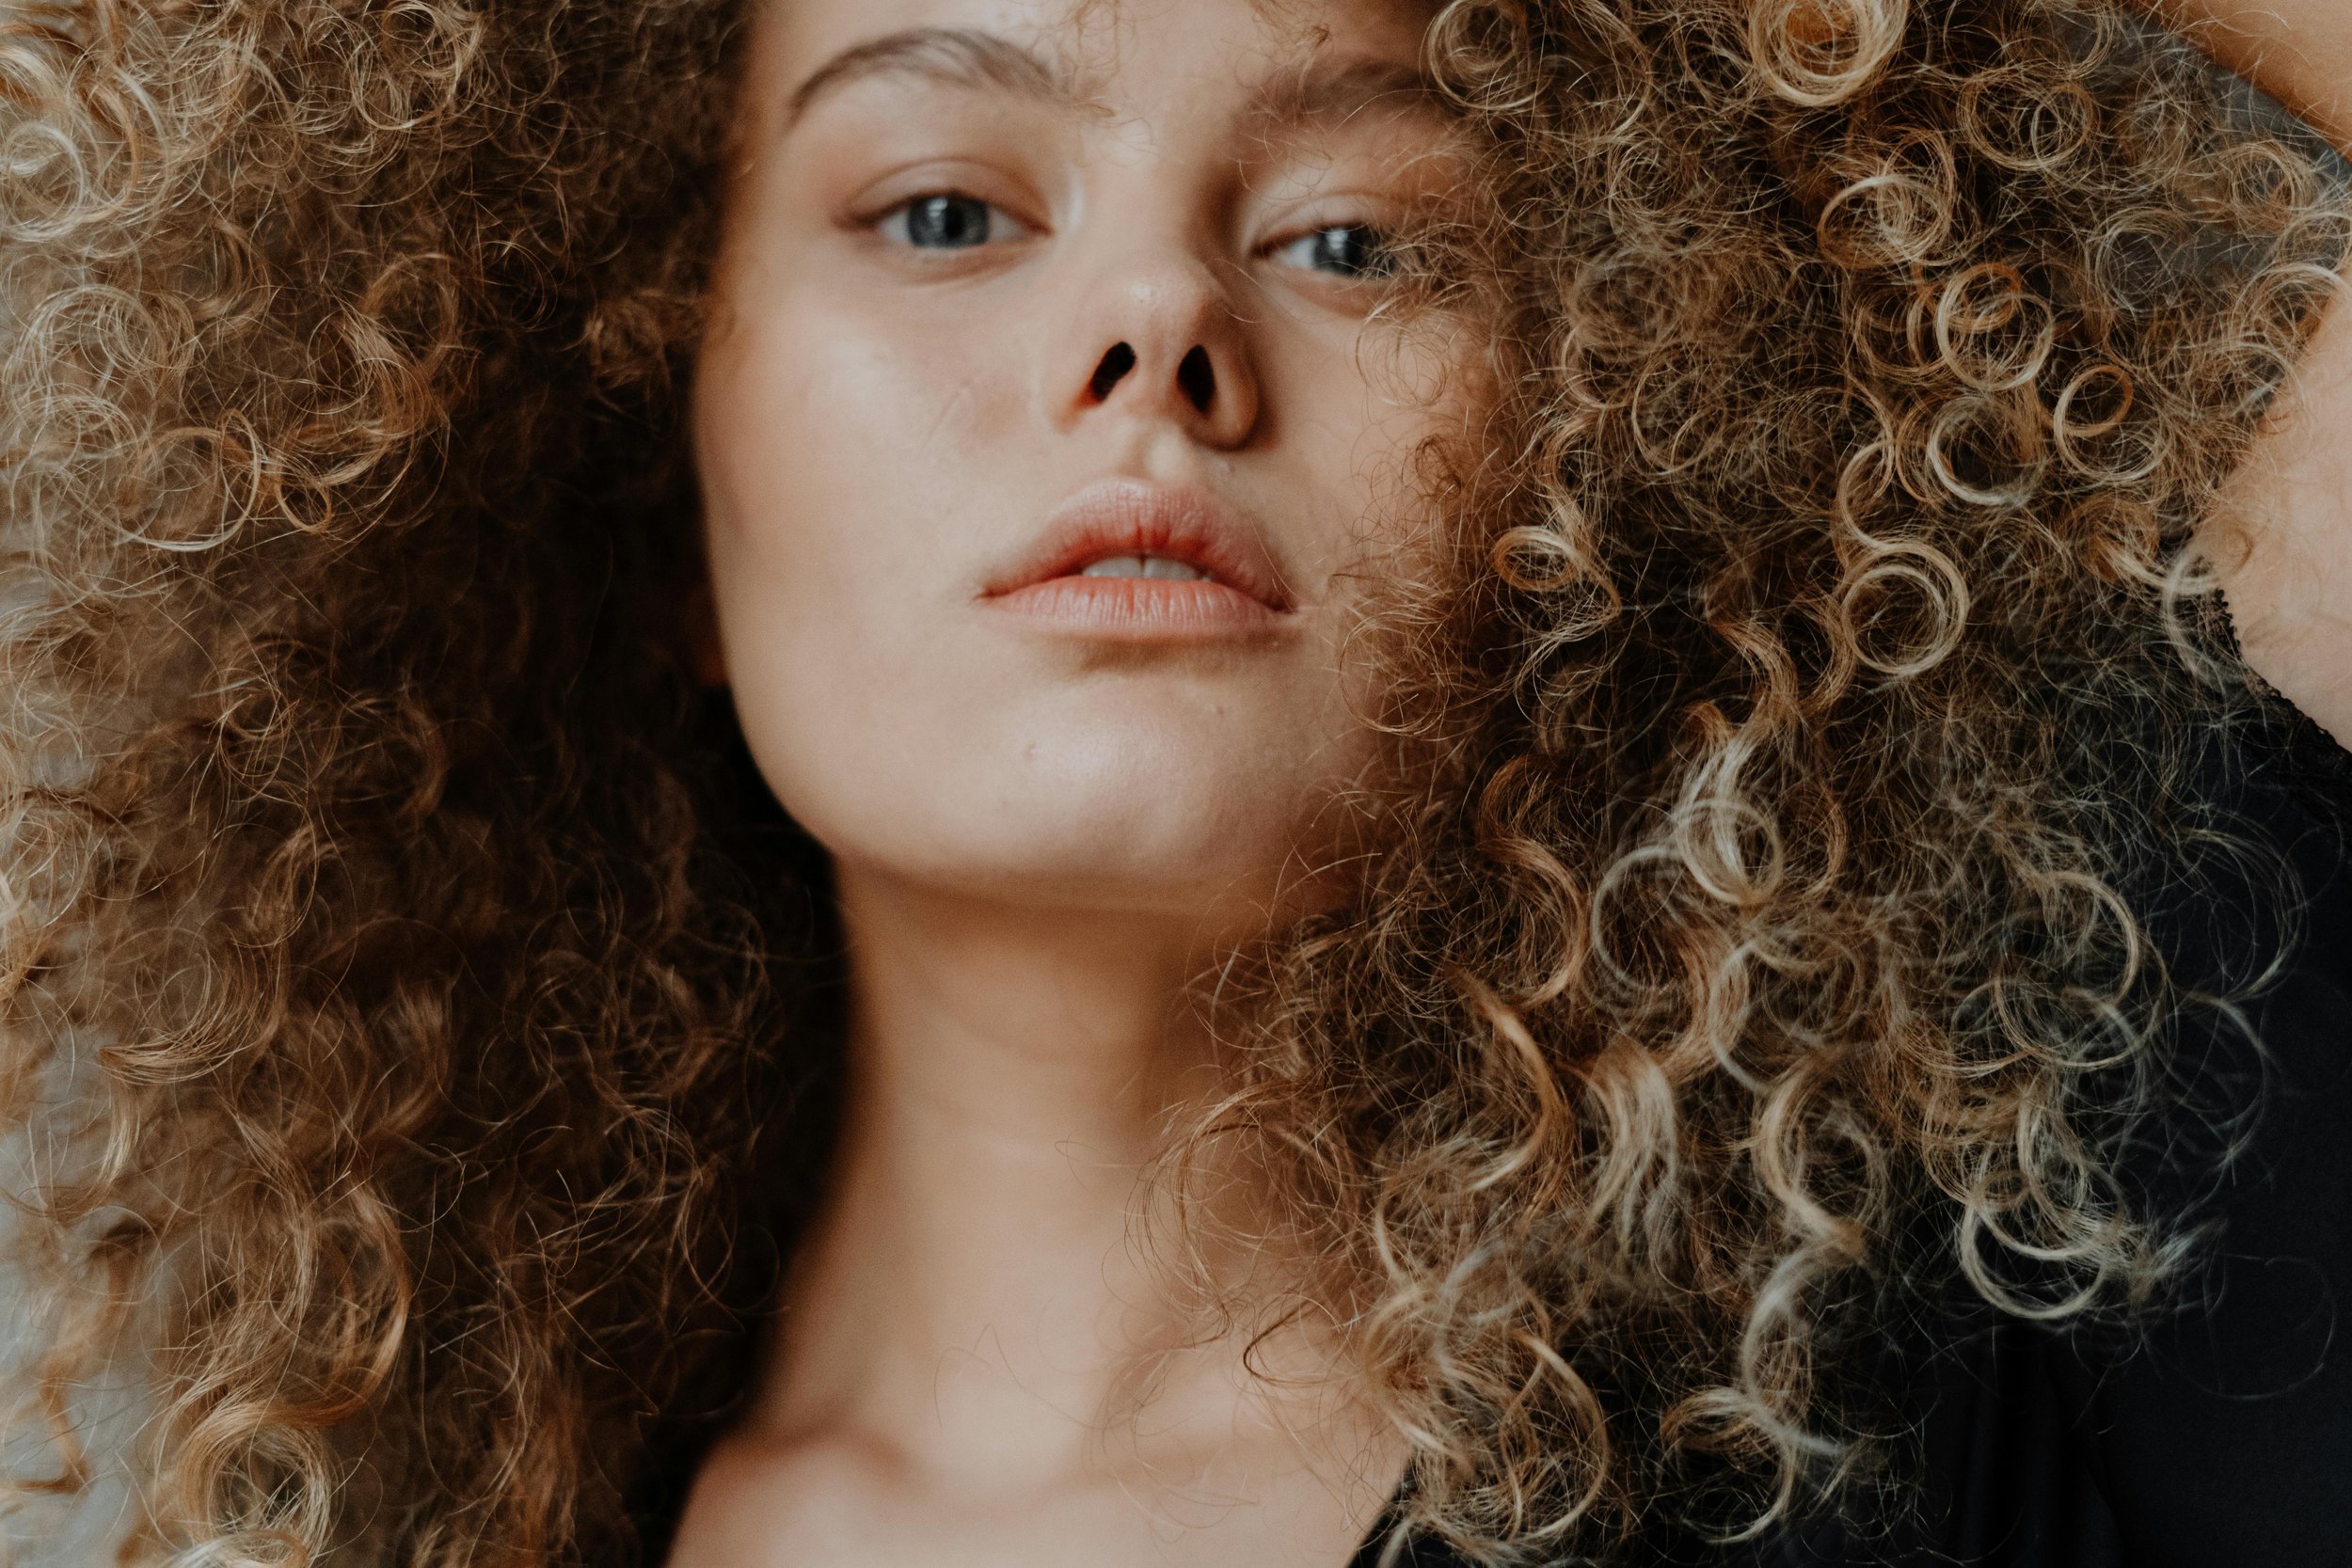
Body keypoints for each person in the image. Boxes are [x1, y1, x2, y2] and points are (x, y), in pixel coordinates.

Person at [0, 2, 2342, 1567]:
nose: (1158, 326)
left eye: (1353, 240)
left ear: (1595, 462)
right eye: (943, 211)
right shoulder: (402, 1531)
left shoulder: (2048, 1342)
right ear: (648, 482)